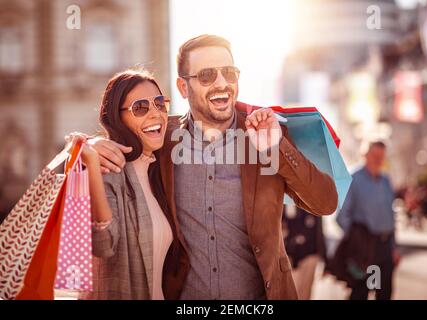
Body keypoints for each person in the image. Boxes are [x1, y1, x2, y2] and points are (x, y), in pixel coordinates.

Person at [89, 34, 338, 300]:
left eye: (229, 73)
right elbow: (121, 132)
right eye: (207, 75)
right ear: (183, 88)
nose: (222, 83)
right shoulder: (162, 141)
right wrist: (87, 144)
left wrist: (276, 147)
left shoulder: (267, 135)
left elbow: (325, 203)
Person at [70, 68, 175, 299]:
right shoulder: (109, 170)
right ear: (119, 118)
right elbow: (103, 243)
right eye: (140, 107)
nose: (156, 114)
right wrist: (89, 160)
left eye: (160, 103)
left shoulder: (158, 168)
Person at [334, 141, 400, 300]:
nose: (378, 160)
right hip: (364, 249)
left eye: (381, 157)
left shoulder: (385, 180)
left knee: (384, 292)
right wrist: (356, 240)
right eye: (375, 155)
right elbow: (342, 215)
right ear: (365, 155)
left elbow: (391, 216)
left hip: (384, 247)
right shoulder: (353, 178)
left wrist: (394, 248)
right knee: (361, 293)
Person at [283, 205, 327, 300]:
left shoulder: (313, 198)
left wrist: (325, 259)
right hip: (288, 253)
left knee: (304, 293)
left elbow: (319, 230)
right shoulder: (285, 199)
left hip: (309, 253)